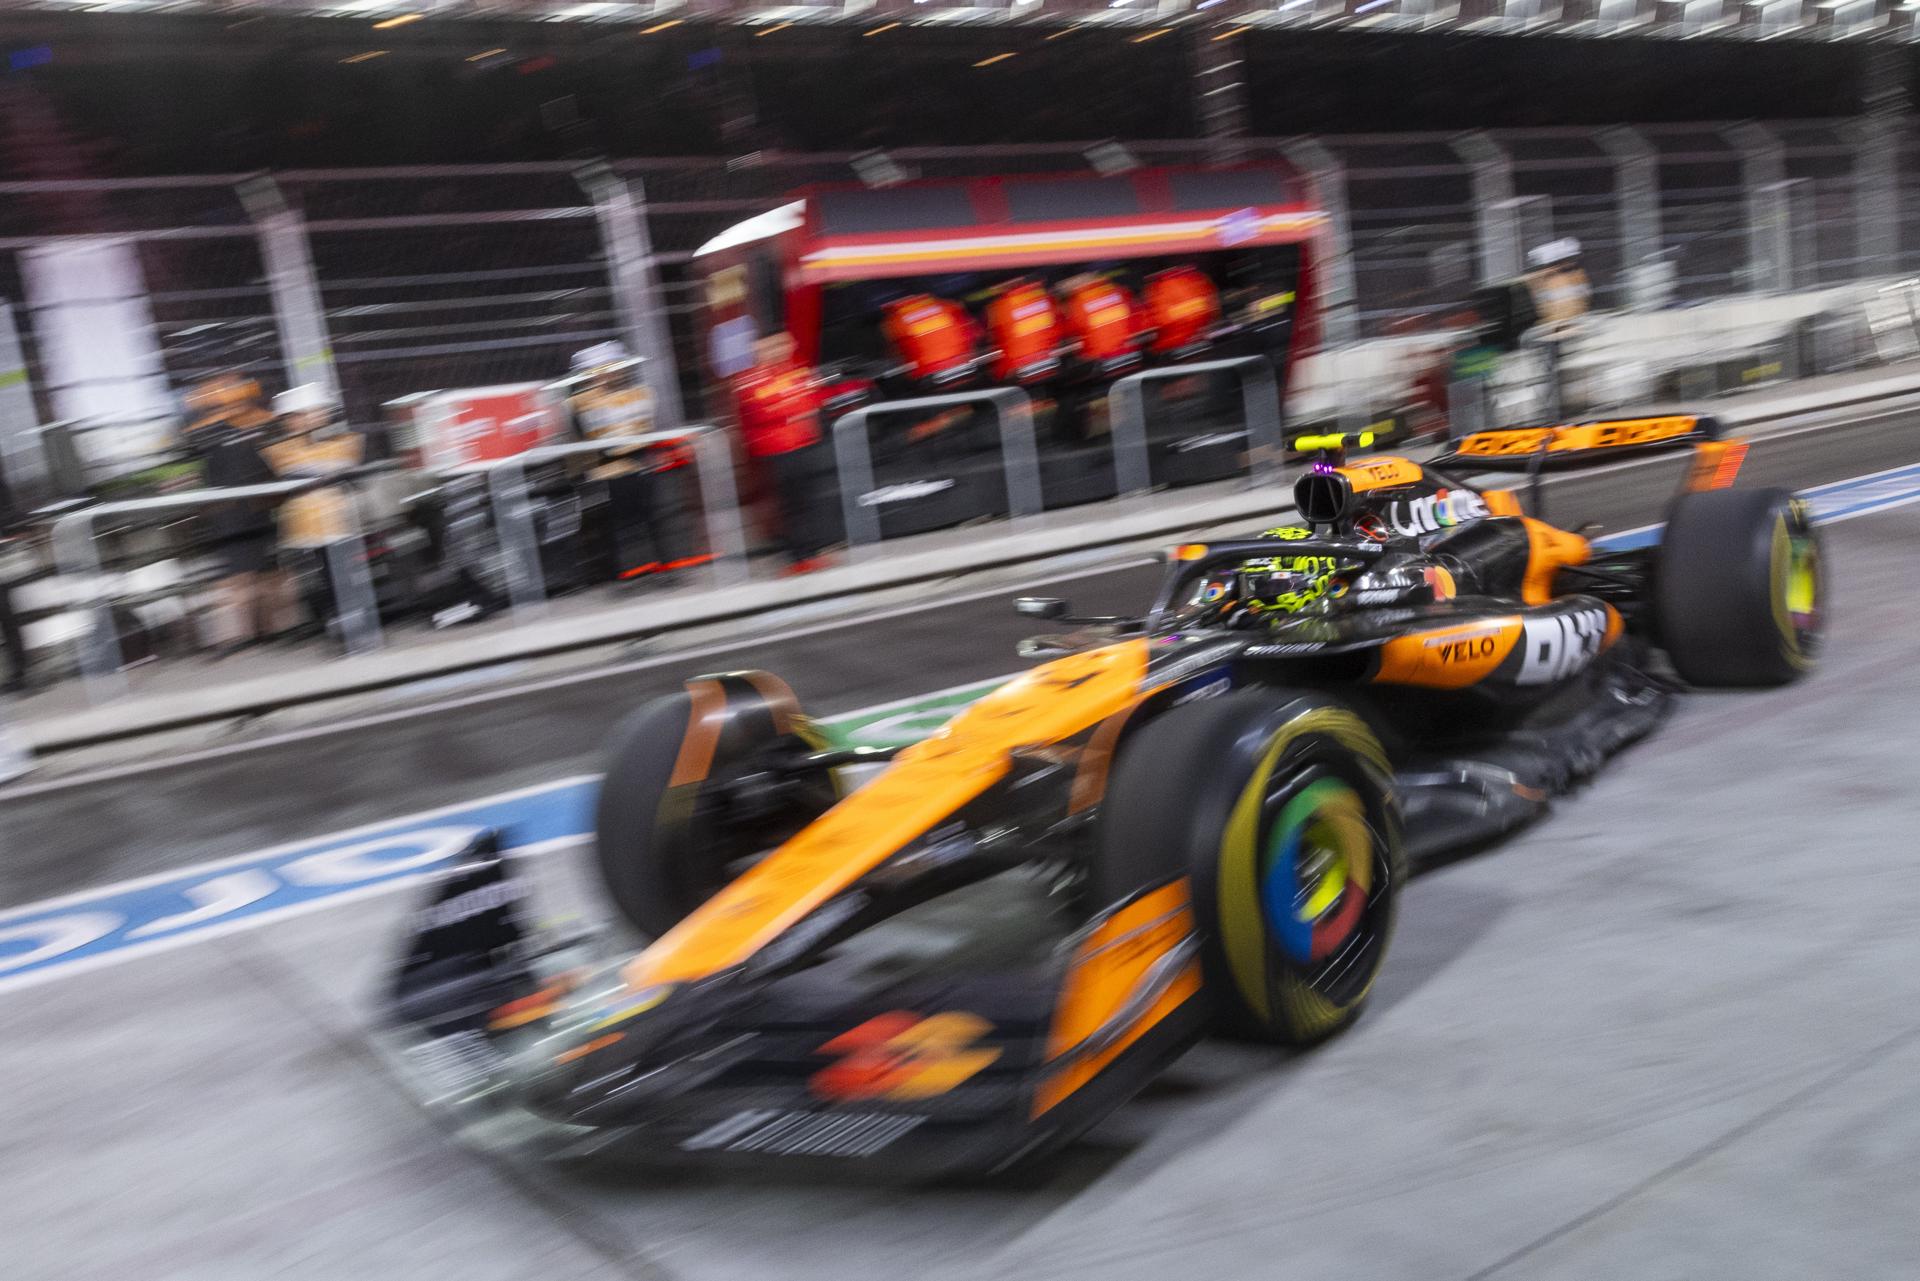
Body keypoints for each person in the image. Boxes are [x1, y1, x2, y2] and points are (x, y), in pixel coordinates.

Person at [566, 342, 705, 581]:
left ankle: (662, 567)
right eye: (602, 371)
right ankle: (631, 572)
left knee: (654, 517)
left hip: (640, 463)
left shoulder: (640, 393)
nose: (609, 374)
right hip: (610, 470)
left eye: (612, 369)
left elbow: (645, 426)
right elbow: (591, 437)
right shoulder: (580, 402)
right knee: (623, 524)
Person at [182, 372, 295, 656]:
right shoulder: (209, 431)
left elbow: (275, 465)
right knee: (239, 581)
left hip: (253, 512)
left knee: (265, 577)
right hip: (231, 516)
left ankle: (265, 634)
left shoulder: (257, 425)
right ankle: (241, 638)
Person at [263, 383, 365, 645]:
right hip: (308, 528)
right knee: (322, 581)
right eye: (300, 415)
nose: (314, 418)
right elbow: (293, 469)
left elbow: (340, 466)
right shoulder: (281, 449)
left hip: (337, 522)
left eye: (316, 412)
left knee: (342, 577)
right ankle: (340, 625)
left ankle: (351, 626)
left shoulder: (344, 441)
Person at [734, 332, 835, 574]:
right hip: (776, 449)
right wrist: (794, 410)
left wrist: (793, 408)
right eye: (771, 346)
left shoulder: (798, 370)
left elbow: (814, 400)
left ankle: (810, 552)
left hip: (803, 443)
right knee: (789, 505)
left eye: (783, 344)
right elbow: (763, 412)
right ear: (759, 350)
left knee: (808, 501)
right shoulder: (750, 380)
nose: (778, 350)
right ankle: (795, 558)